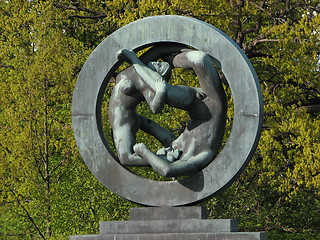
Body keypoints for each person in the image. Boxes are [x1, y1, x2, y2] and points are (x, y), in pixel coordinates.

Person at [118, 49, 228, 177]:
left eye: (162, 151)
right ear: (174, 161)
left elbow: (149, 125)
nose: (166, 150)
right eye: (165, 154)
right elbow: (167, 170)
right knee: (199, 59)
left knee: (161, 90)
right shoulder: (200, 156)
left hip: (196, 102)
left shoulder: (174, 144)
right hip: (212, 102)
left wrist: (124, 113)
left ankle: (143, 61)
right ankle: (140, 61)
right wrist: (144, 152)